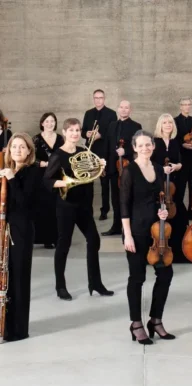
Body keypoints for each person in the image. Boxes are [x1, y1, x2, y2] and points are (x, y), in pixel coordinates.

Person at [44, 118, 113, 301]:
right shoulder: (57, 155)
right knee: (63, 245)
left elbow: (92, 174)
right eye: (71, 130)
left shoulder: (84, 151)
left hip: (84, 205)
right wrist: (67, 182)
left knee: (94, 240)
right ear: (65, 133)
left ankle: (95, 283)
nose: (75, 133)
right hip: (66, 205)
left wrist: (101, 167)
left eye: (77, 130)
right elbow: (47, 181)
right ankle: (60, 286)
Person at [120, 130, 175, 345]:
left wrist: (163, 212)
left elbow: (162, 199)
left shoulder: (159, 169)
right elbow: (123, 205)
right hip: (136, 231)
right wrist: (127, 236)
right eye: (140, 145)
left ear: (153, 146)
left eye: (148, 144)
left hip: (158, 232)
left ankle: (156, 320)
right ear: (134, 147)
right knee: (137, 278)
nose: (145, 148)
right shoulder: (129, 171)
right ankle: (136, 324)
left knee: (165, 275)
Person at [0, 133, 41, 342]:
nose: (17, 150)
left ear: (28, 151)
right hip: (4, 230)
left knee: (18, 278)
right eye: (13, 146)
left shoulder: (32, 172)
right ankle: (4, 325)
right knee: (4, 279)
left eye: (21, 147)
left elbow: (25, 203)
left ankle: (19, 329)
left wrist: (12, 179)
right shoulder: (7, 171)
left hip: (22, 230)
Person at [151, 113, 189, 263]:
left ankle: (179, 252)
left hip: (174, 185)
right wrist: (162, 169)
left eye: (170, 123)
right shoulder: (154, 142)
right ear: (160, 125)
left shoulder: (175, 142)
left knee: (180, 215)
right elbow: (150, 162)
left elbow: (180, 162)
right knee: (160, 214)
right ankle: (160, 250)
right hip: (159, 183)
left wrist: (176, 166)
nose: (168, 125)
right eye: (165, 122)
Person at [102, 100, 142, 236]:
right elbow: (107, 147)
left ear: (130, 110)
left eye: (126, 108)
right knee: (115, 199)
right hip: (114, 168)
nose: (124, 110)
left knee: (128, 197)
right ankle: (116, 226)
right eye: (121, 107)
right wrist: (104, 165)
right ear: (118, 109)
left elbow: (139, 146)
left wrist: (126, 152)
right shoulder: (112, 125)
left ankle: (130, 227)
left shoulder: (136, 126)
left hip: (128, 168)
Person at [82, 89, 117, 220]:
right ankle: (88, 210)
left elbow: (112, 132)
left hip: (105, 152)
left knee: (104, 183)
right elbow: (83, 131)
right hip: (90, 152)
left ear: (104, 99)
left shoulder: (112, 114)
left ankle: (104, 210)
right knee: (88, 182)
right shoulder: (88, 113)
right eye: (96, 98)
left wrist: (100, 135)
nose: (98, 100)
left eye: (100, 97)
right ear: (93, 99)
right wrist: (87, 134)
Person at [33, 112, 64, 248]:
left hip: (57, 176)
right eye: (47, 121)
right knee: (43, 207)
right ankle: (46, 239)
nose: (50, 124)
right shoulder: (36, 139)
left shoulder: (60, 139)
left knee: (57, 208)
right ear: (42, 123)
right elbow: (31, 159)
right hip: (41, 177)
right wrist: (42, 164)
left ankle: (57, 238)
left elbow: (64, 154)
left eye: (52, 121)